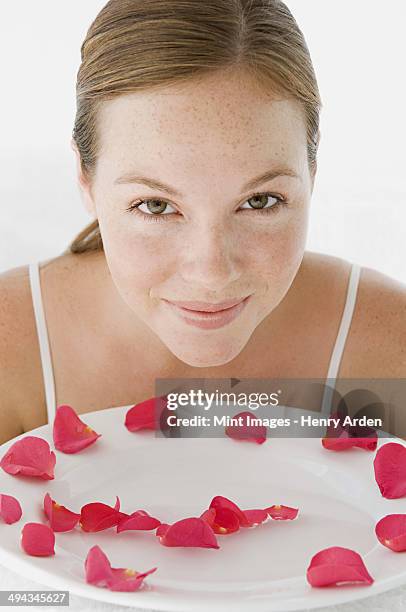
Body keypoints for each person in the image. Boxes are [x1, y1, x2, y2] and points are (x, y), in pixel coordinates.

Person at [0, 0, 405, 445]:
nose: (212, 274)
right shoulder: (11, 349)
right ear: (85, 179)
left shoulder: (384, 347)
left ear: (313, 170)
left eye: (260, 201)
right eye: (155, 206)